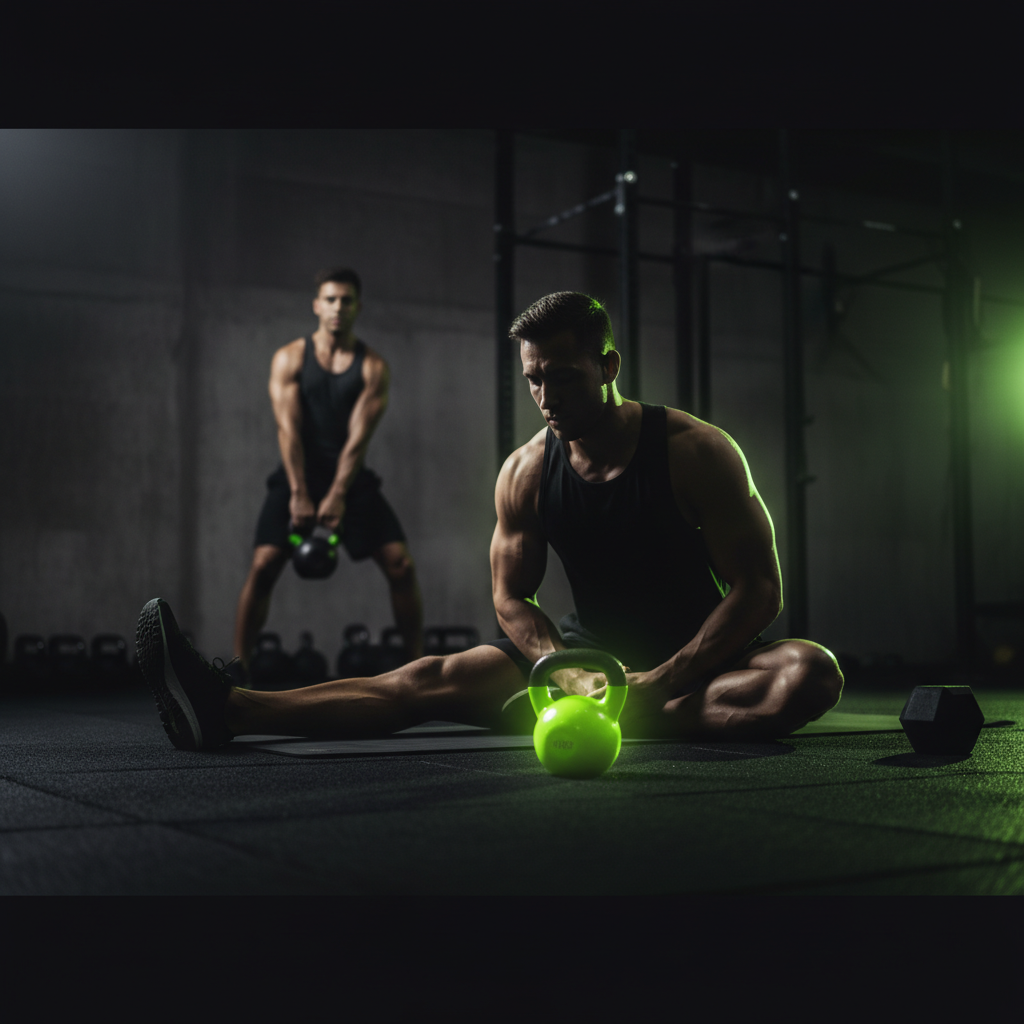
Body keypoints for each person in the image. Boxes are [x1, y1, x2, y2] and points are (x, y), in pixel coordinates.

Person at [137, 291, 842, 751]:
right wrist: (553, 667)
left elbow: (757, 589)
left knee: (809, 673)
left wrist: (658, 680)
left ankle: (641, 719)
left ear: (608, 366)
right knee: (426, 678)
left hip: (696, 663)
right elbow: (511, 596)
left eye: (562, 376)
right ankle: (230, 706)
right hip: (584, 662)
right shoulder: (527, 471)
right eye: (534, 378)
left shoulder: (696, 452)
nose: (545, 395)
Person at [230, 267, 422, 686]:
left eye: (347, 300)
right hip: (297, 473)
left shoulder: (372, 367)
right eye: (331, 299)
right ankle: (237, 671)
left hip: (349, 477)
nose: (338, 307)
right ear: (316, 304)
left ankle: (417, 668)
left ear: (358, 306)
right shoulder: (290, 358)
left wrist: (337, 494)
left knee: (400, 565)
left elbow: (358, 439)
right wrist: (299, 492)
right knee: (263, 565)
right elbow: (288, 431)